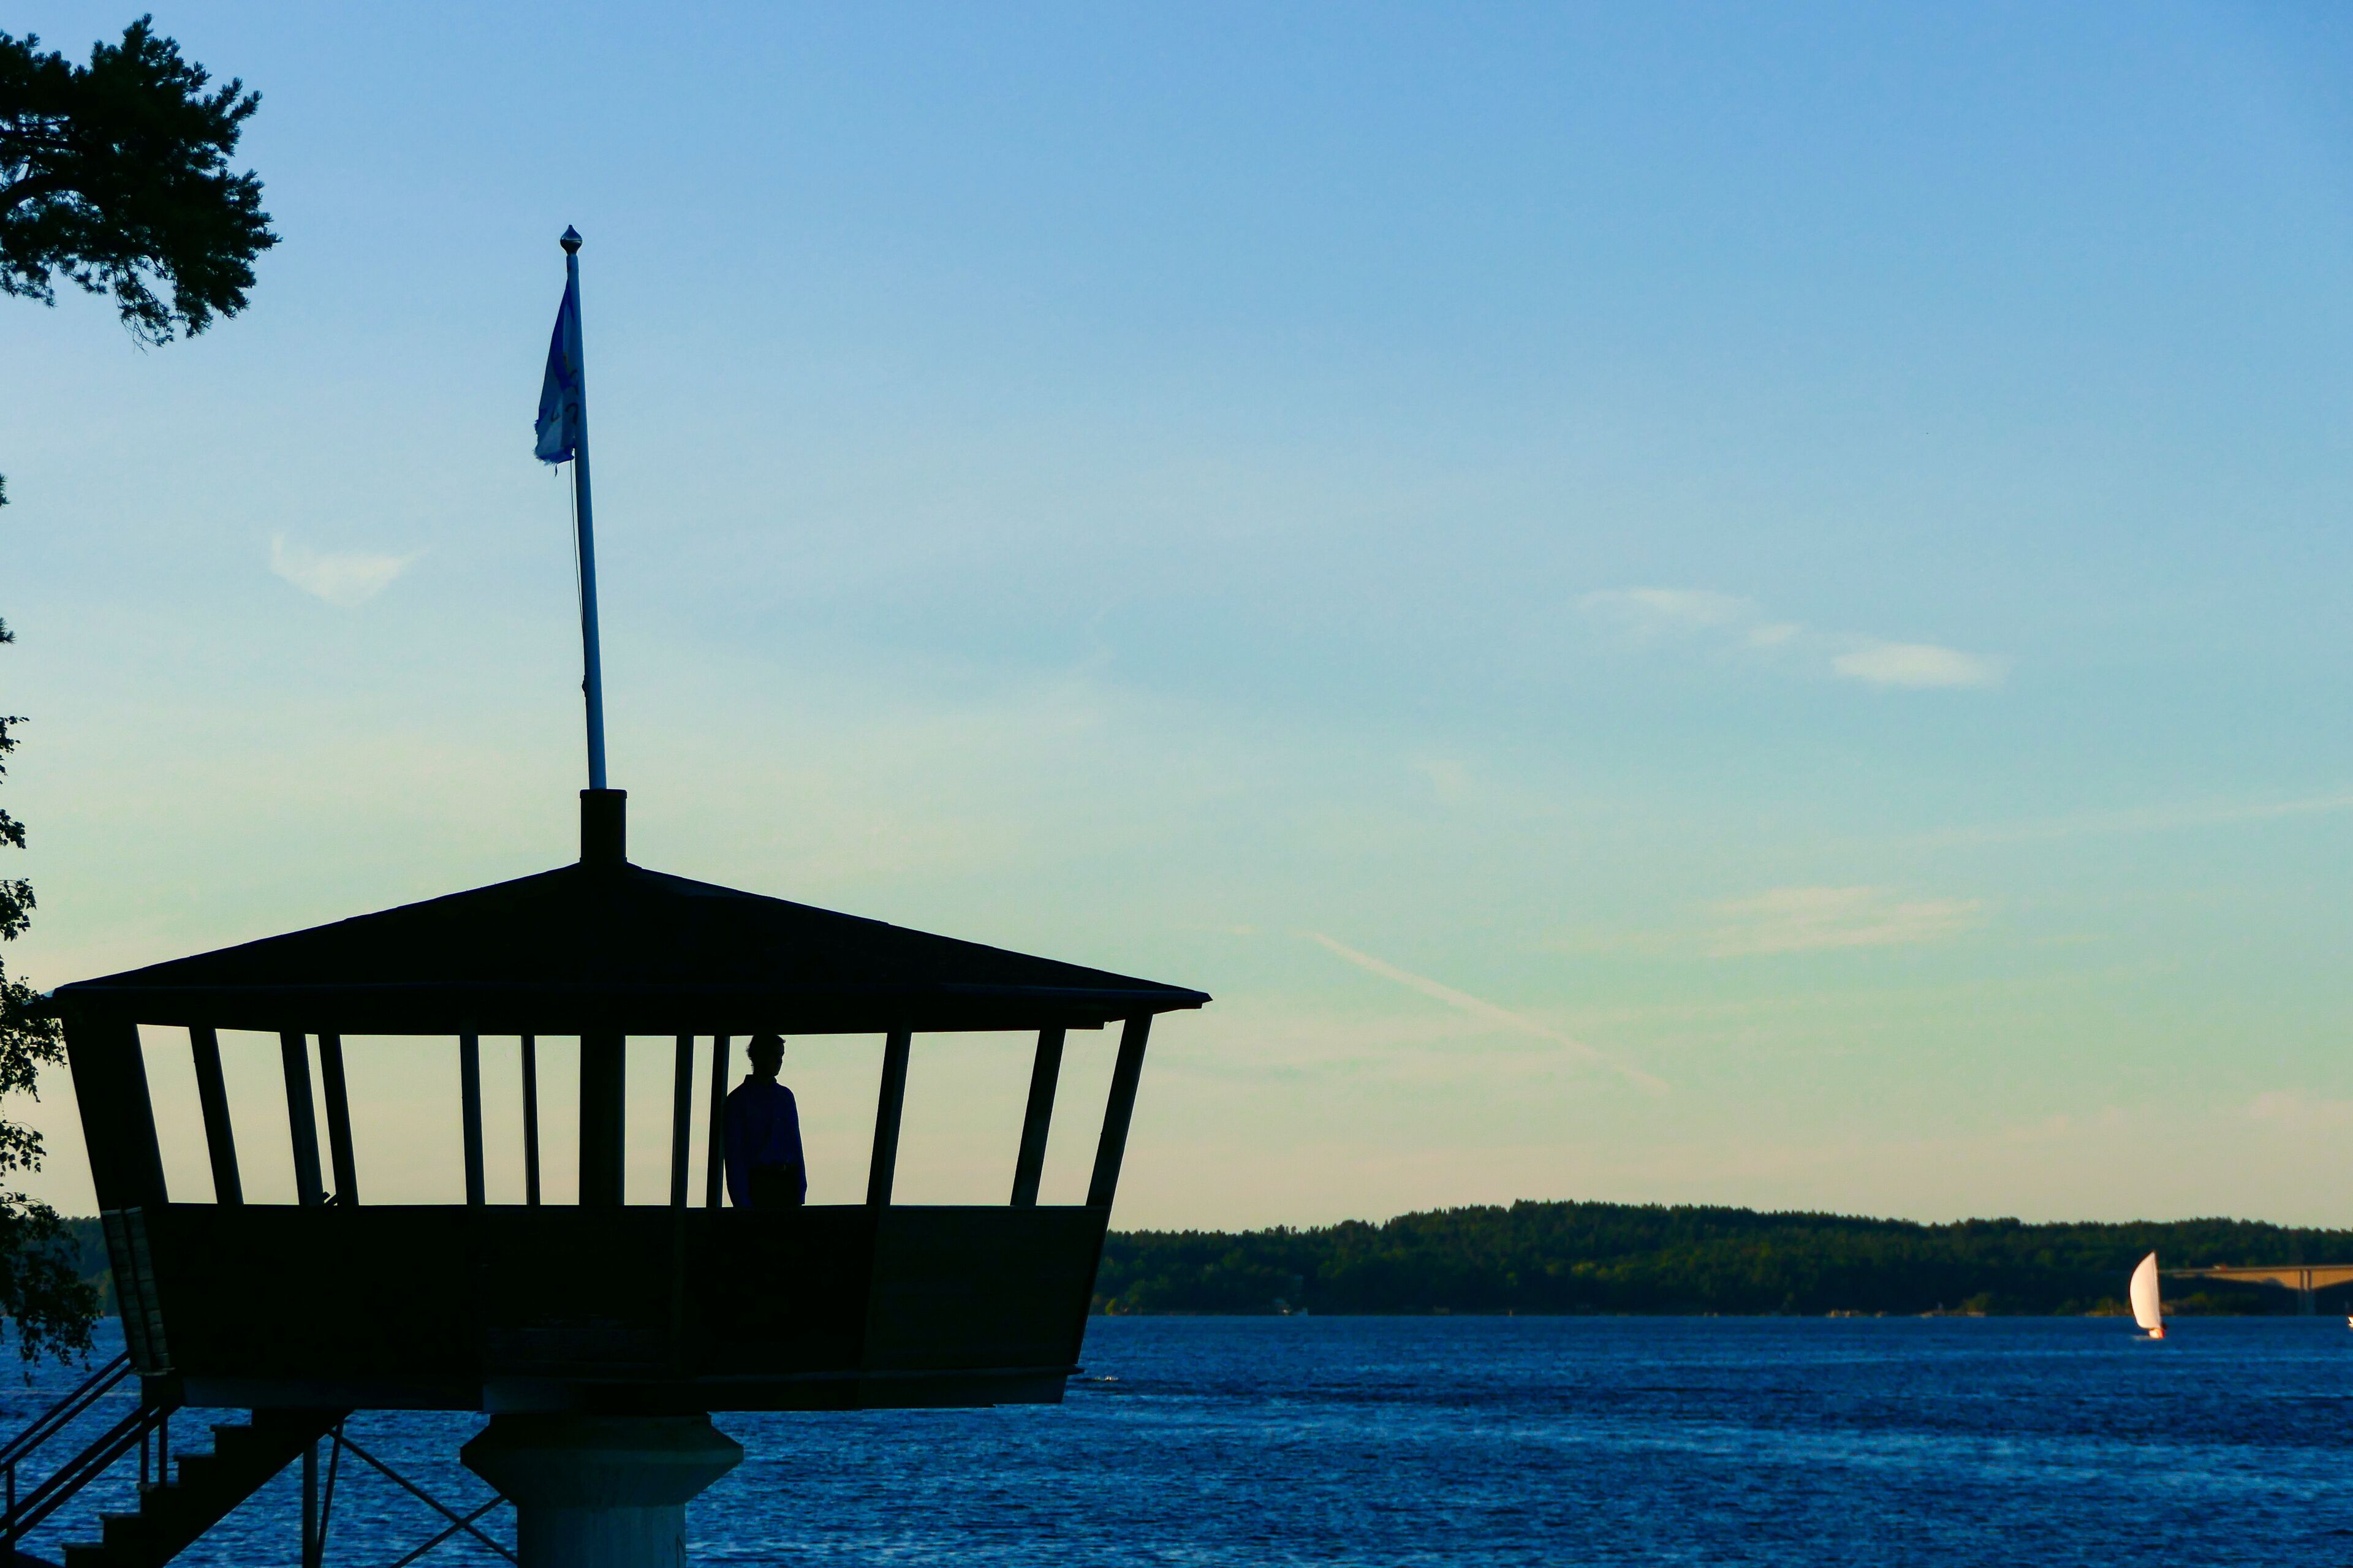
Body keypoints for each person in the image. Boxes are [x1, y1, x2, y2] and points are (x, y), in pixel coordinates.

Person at [724, 1034, 807, 1208]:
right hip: (759, 1186)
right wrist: (742, 1202)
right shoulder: (739, 1100)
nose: (779, 1061)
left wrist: (800, 1189)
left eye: (781, 1056)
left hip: (785, 1185)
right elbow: (734, 1156)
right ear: (758, 1056)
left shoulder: (785, 1097)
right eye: (774, 1055)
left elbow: (795, 1145)